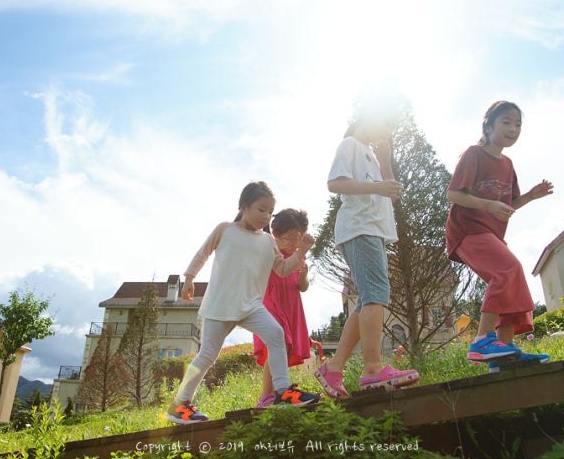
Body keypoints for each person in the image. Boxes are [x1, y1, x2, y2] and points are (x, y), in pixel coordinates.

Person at [164, 182, 320, 425]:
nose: (266, 216)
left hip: (251, 307)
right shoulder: (225, 230)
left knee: (276, 334)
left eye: (270, 211)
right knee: (207, 355)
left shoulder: (267, 241)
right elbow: (203, 253)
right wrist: (189, 278)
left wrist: (300, 254)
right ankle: (179, 404)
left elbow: (281, 269)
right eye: (261, 209)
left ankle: (283, 392)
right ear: (244, 206)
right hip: (220, 306)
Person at [314, 95, 420, 400]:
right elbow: (335, 183)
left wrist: (386, 162)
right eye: (384, 121)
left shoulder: (372, 155)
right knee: (376, 294)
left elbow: (392, 194)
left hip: (373, 230)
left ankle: (333, 367)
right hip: (359, 228)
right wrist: (377, 187)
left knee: (366, 301)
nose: (387, 128)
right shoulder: (350, 145)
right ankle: (373, 369)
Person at [445, 100, 553, 371]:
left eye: (518, 124)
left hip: (490, 232)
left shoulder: (508, 164)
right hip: (467, 229)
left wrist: (530, 196)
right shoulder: (474, 154)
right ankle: (482, 340)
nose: (513, 129)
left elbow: (507, 205)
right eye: (506, 122)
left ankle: (502, 358)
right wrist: (488, 205)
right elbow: (453, 194)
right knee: (508, 269)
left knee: (514, 283)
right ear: (489, 125)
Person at [253, 208, 312, 408]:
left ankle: (278, 392)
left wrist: (303, 276)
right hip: (271, 302)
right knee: (277, 341)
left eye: (298, 240)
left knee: (284, 348)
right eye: (289, 239)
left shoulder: (298, 256)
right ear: (275, 235)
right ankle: (268, 395)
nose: (294, 245)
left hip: (292, 305)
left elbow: (302, 287)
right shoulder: (267, 249)